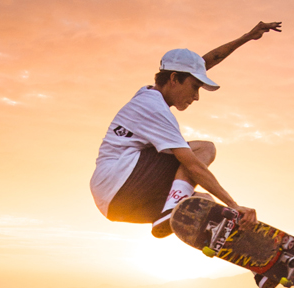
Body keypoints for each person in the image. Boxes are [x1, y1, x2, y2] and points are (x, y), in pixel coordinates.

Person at [90, 21, 282, 238]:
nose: (196, 96)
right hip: (120, 183)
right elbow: (192, 165)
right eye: (194, 87)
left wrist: (246, 37)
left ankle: (172, 214)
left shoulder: (148, 95)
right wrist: (233, 203)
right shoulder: (154, 109)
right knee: (203, 150)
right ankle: (172, 208)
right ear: (173, 79)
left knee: (206, 206)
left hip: (116, 205)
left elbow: (202, 63)